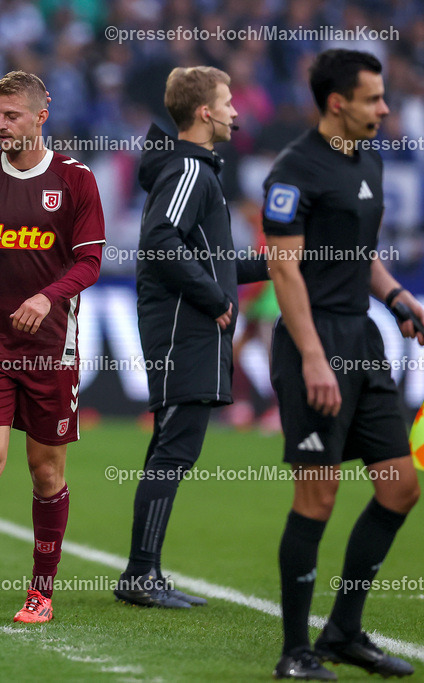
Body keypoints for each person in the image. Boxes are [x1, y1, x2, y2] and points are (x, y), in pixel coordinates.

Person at [265, 49, 419, 680]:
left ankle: (343, 631)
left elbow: (361, 255)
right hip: (315, 343)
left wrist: (397, 295)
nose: (384, 108)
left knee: (402, 486)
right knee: (318, 495)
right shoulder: (294, 169)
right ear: (337, 103)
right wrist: (312, 359)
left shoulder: (370, 160)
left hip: (364, 337)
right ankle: (294, 652)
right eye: (373, 98)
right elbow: (283, 266)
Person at [0, 71, 104, 625]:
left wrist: (45, 298)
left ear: (40, 115)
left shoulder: (76, 180)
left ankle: (40, 593)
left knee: (45, 472)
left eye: (10, 115)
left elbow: (89, 262)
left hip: (51, 350)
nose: (0, 124)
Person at [112, 66, 267, 609]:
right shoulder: (190, 171)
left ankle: (143, 572)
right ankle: (140, 576)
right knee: (173, 452)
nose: (235, 112)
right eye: (227, 102)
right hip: (185, 330)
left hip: (188, 329)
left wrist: (270, 265)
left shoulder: (194, 170)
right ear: (204, 112)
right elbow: (159, 241)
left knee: (171, 449)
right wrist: (215, 299)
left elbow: (211, 259)